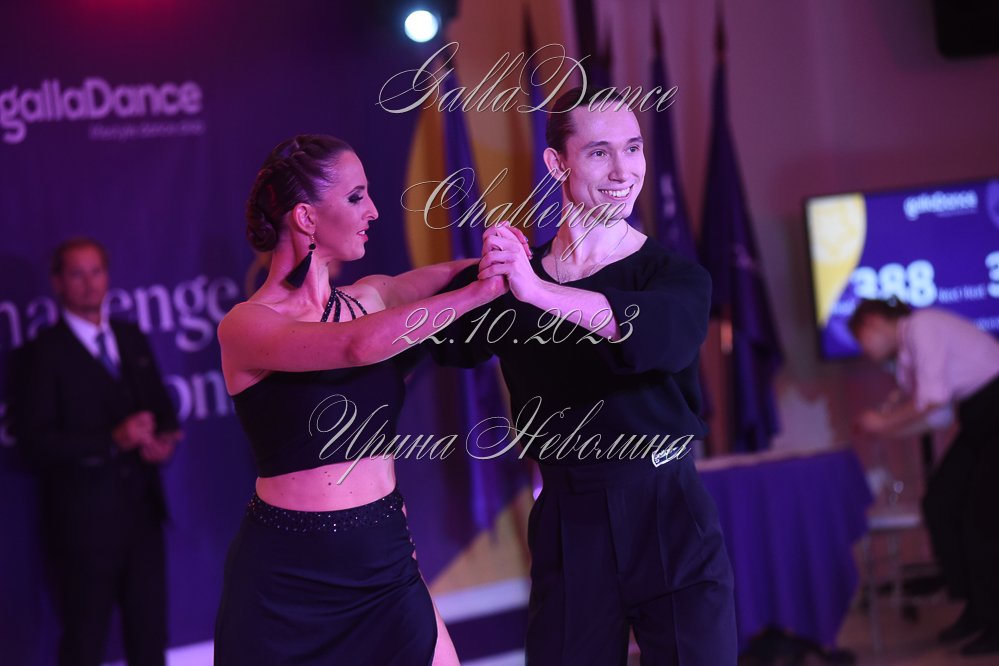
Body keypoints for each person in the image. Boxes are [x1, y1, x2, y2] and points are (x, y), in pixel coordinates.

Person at [432, 87, 738, 665]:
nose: (623, 171)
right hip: (569, 519)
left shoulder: (674, 276)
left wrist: (538, 291)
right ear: (557, 164)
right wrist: (481, 279)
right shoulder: (518, 280)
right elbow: (439, 340)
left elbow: (651, 338)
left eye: (633, 148)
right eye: (600, 152)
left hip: (668, 509)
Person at [213, 134, 530, 665]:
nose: (374, 210)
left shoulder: (372, 297)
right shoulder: (246, 326)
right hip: (289, 579)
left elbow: (456, 274)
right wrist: (477, 294)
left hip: (383, 558)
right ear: (306, 217)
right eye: (356, 196)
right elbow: (356, 347)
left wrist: (507, 257)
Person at [11, 237, 182, 666]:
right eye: (77, 273)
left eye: (97, 271)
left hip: (143, 519)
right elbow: (33, 443)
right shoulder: (40, 354)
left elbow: (163, 411)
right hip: (81, 529)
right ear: (57, 282)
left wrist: (162, 441)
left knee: (150, 641)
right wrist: (112, 440)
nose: (89, 283)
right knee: (84, 643)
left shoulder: (131, 337)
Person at [851, 298, 999, 656]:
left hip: (994, 409)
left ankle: (995, 622)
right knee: (941, 504)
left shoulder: (922, 326)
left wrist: (884, 423)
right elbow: (937, 416)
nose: (864, 351)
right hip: (978, 418)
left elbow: (933, 399)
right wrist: (884, 430)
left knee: (981, 518)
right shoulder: (905, 357)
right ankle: (976, 608)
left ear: (872, 322)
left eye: (860, 340)